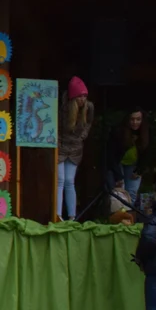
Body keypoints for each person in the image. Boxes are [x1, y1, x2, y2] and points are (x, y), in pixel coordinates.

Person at [57, 76, 95, 221]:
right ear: (73, 97)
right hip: (62, 145)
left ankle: (72, 215)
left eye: (85, 96)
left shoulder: (89, 107)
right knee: (60, 179)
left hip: (76, 147)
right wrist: (58, 143)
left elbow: (89, 122)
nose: (83, 99)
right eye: (80, 96)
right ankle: (58, 214)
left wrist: (83, 135)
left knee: (69, 180)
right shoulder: (64, 108)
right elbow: (58, 128)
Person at [105, 108, 150, 205]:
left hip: (134, 166)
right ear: (127, 120)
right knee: (120, 193)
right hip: (118, 164)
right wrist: (118, 176)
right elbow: (111, 155)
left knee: (132, 193)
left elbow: (147, 154)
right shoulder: (118, 132)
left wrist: (140, 170)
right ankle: (118, 217)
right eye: (132, 119)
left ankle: (129, 217)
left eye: (138, 119)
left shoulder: (146, 133)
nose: (135, 122)